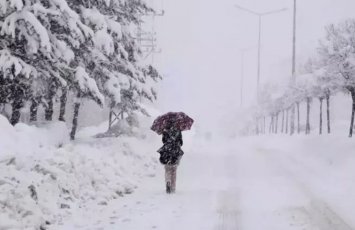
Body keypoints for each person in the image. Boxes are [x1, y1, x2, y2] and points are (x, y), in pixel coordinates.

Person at [157, 121, 184, 194]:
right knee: (174, 170)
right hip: (175, 152)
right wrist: (176, 142)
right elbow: (181, 142)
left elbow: (163, 141)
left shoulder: (165, 130)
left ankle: (168, 181)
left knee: (167, 169)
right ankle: (173, 187)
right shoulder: (178, 130)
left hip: (167, 152)